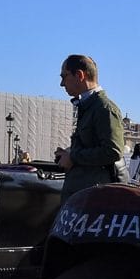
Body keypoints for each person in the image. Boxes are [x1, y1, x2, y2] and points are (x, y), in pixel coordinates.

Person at [55, 54, 126, 202]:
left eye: (64, 76)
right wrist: (68, 153)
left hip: (94, 201)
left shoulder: (104, 108)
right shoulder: (90, 107)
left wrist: (73, 157)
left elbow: (113, 151)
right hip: (85, 196)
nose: (62, 83)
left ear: (79, 75)